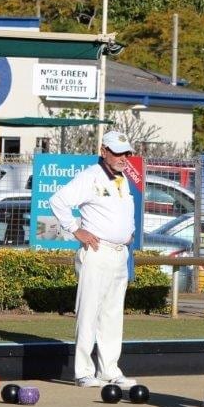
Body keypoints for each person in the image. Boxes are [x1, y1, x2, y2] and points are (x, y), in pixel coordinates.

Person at [49, 130, 138, 388]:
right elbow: (59, 201)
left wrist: (127, 233)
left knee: (112, 315)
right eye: (118, 152)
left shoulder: (123, 180)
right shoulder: (90, 177)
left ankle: (109, 370)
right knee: (88, 312)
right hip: (96, 254)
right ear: (104, 151)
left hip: (120, 255)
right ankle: (83, 371)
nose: (124, 157)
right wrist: (75, 229)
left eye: (127, 152)